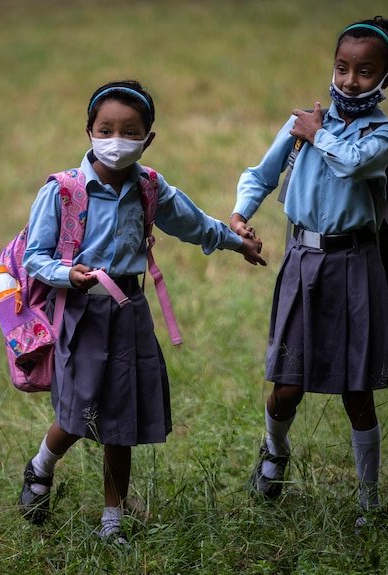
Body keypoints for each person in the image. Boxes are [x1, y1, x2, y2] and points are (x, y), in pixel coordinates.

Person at [19, 80, 266, 542]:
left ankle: (112, 523)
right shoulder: (64, 191)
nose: (116, 140)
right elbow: (35, 256)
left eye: (129, 131)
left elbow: (194, 225)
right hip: (81, 315)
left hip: (130, 312)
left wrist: (238, 243)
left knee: (122, 420)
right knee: (78, 411)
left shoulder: (150, 188)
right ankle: (40, 467)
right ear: (89, 131)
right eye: (106, 129)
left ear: (148, 138)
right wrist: (67, 274)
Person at [230, 17, 388, 525]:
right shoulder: (306, 122)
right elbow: (261, 174)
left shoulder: (383, 133)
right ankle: (274, 452)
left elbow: (354, 163)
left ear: (386, 76)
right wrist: (242, 213)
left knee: (357, 390)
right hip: (303, 263)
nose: (350, 80)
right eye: (342, 67)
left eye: (365, 71)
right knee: (288, 384)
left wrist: (319, 134)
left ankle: (369, 503)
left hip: (357, 264)